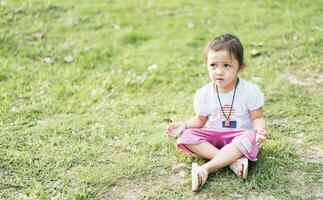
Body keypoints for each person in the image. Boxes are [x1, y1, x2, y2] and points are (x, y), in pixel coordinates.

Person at [166, 33, 268, 191]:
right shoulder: (204, 93)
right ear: (207, 65)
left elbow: (257, 117)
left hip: (239, 137)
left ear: (240, 67)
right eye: (213, 65)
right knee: (186, 135)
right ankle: (233, 162)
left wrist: (259, 131)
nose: (219, 71)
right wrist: (185, 124)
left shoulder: (250, 90)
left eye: (226, 66)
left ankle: (206, 169)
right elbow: (200, 120)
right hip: (215, 137)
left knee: (249, 137)